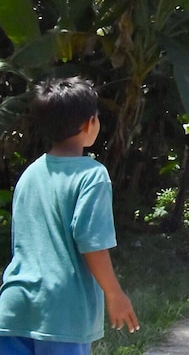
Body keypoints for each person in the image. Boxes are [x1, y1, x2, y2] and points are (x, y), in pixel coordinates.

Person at [0, 77, 140, 354]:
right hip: (62, 312)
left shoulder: (30, 174)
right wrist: (114, 294)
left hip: (14, 304)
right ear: (90, 124)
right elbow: (91, 241)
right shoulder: (92, 175)